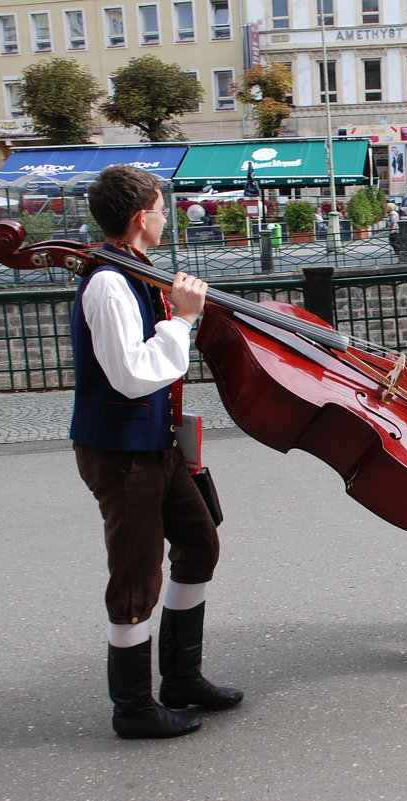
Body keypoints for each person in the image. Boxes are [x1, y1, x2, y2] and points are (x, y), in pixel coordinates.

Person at [73, 164, 242, 739]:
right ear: (141, 216)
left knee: (198, 543)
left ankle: (181, 678)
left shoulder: (135, 269)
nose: (168, 217)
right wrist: (184, 322)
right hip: (121, 450)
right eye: (163, 208)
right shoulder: (108, 282)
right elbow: (130, 374)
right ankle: (132, 707)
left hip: (156, 443)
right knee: (134, 579)